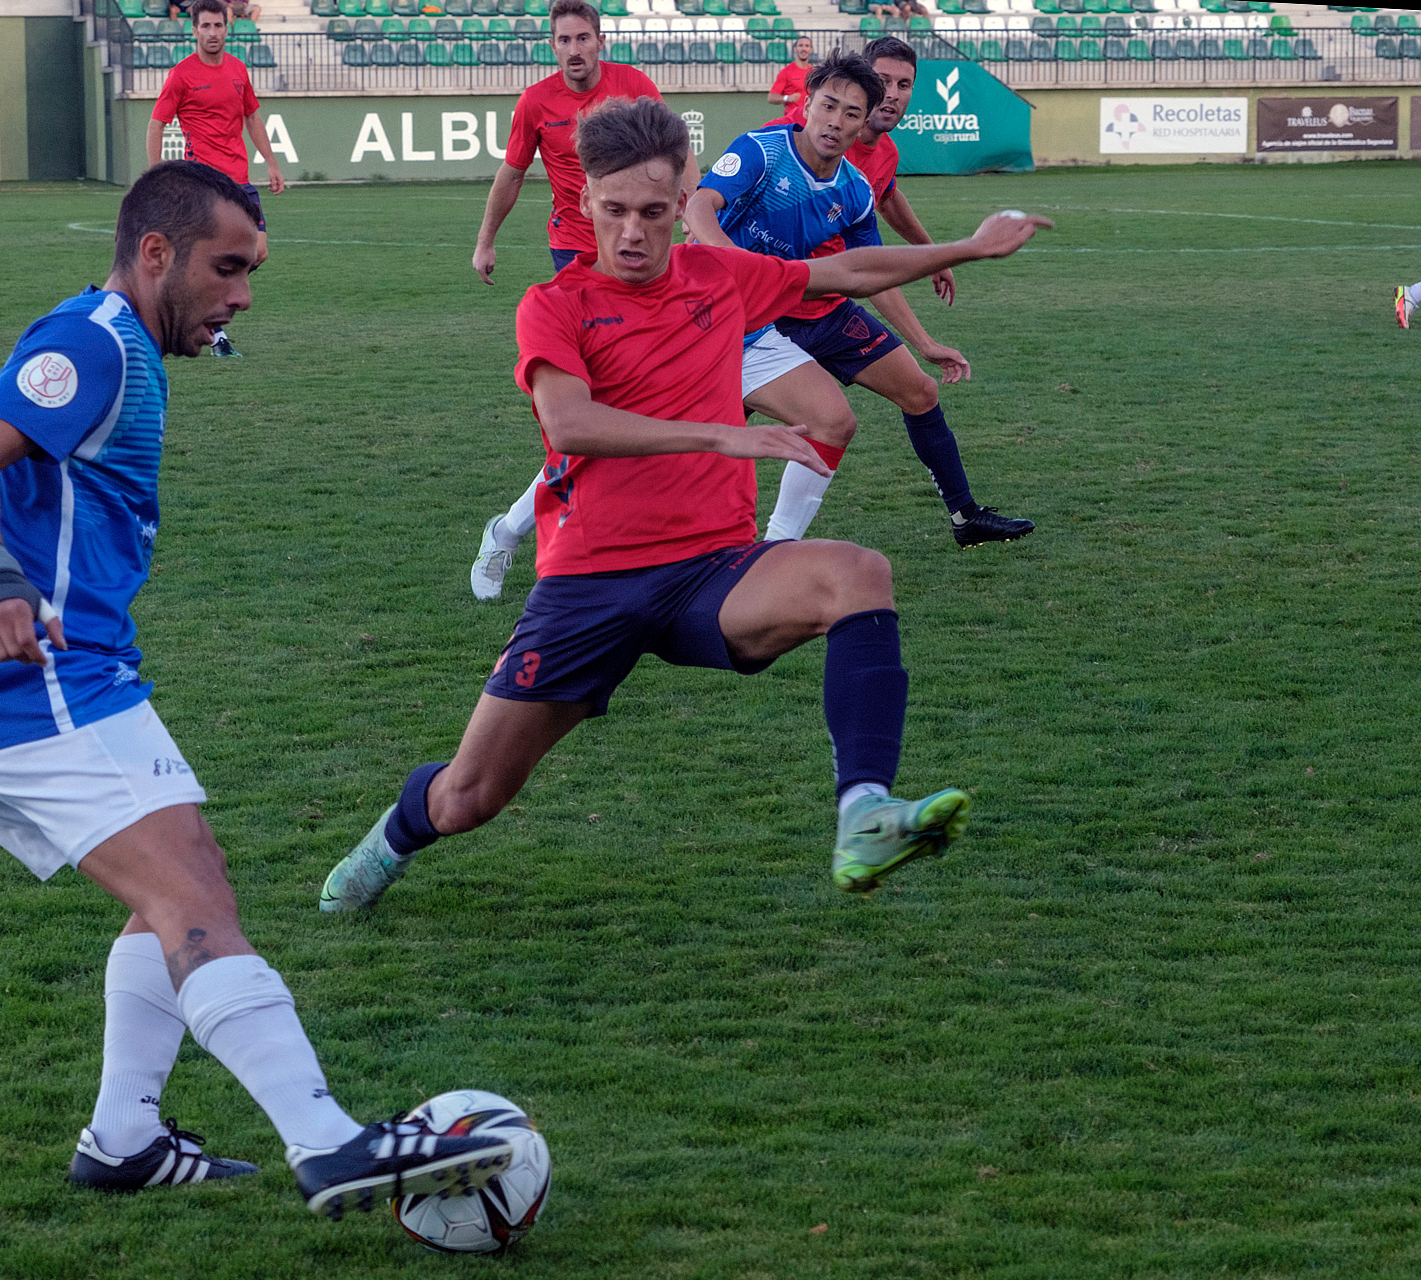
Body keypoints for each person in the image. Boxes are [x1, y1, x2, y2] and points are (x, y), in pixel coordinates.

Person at [0, 161, 514, 1215]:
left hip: (80, 674)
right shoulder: (95, 338)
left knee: (182, 885)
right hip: (22, 684)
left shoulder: (115, 343)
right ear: (155, 253)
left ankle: (123, 1137)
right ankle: (326, 1141)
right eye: (227, 268)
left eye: (251, 271)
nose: (241, 294)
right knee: (192, 901)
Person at [318, 99, 1049, 915]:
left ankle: (865, 813)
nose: (634, 232)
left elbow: (842, 274)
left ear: (683, 203)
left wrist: (969, 249)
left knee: (856, 573)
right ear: (587, 202)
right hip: (589, 586)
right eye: (616, 209)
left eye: (656, 213)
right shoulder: (554, 304)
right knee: (469, 799)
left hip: (709, 571)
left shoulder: (718, 277)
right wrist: (717, 437)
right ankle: (391, 838)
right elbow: (569, 422)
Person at [686, 47, 1034, 547]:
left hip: (825, 308)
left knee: (915, 393)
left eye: (903, 85)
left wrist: (925, 333)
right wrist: (734, 263)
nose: (892, 94)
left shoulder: (864, 174)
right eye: (884, 82)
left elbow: (870, 266)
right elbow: (702, 205)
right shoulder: (773, 144)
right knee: (700, 434)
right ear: (809, 103)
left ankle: (963, 517)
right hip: (755, 315)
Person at [467, 0, 698, 601]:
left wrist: (693, 216)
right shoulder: (535, 103)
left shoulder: (635, 88)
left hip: (646, 256)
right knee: (588, 411)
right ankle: (530, 531)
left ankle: (520, 527)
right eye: (562, 39)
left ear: (601, 41)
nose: (573, 49)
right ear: (553, 45)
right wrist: (486, 240)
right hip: (575, 259)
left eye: (582, 38)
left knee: (633, 401)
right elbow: (512, 173)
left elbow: (677, 157)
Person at [148, 0, 285, 357]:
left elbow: (252, 118)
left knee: (258, 251)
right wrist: (156, 173)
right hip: (204, 180)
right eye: (205, 27)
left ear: (228, 28)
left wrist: (270, 162)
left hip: (239, 179)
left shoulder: (238, 70)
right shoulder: (182, 75)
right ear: (194, 31)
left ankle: (194, 303)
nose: (212, 33)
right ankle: (213, 328)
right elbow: (156, 123)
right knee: (215, 254)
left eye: (218, 26)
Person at [766, 37, 814, 127]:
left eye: (807, 46)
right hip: (793, 123)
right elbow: (771, 97)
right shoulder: (786, 72)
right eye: (800, 45)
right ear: (795, 49)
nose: (804, 49)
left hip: (811, 121)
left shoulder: (813, 72)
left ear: (811, 50)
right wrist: (787, 98)